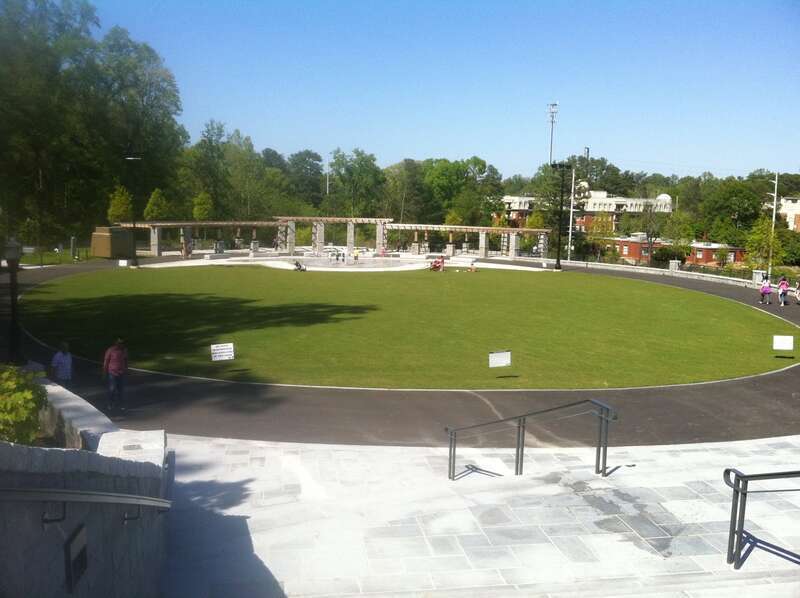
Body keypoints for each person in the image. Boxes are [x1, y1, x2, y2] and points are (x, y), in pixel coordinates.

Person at [103, 338, 128, 412]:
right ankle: (110, 403)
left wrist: (126, 369)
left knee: (121, 390)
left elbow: (126, 360)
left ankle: (121, 404)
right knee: (112, 389)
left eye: (122, 343)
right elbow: (106, 361)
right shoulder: (110, 350)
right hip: (112, 372)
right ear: (116, 343)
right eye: (119, 343)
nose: (121, 344)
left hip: (121, 372)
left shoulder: (124, 351)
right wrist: (104, 372)